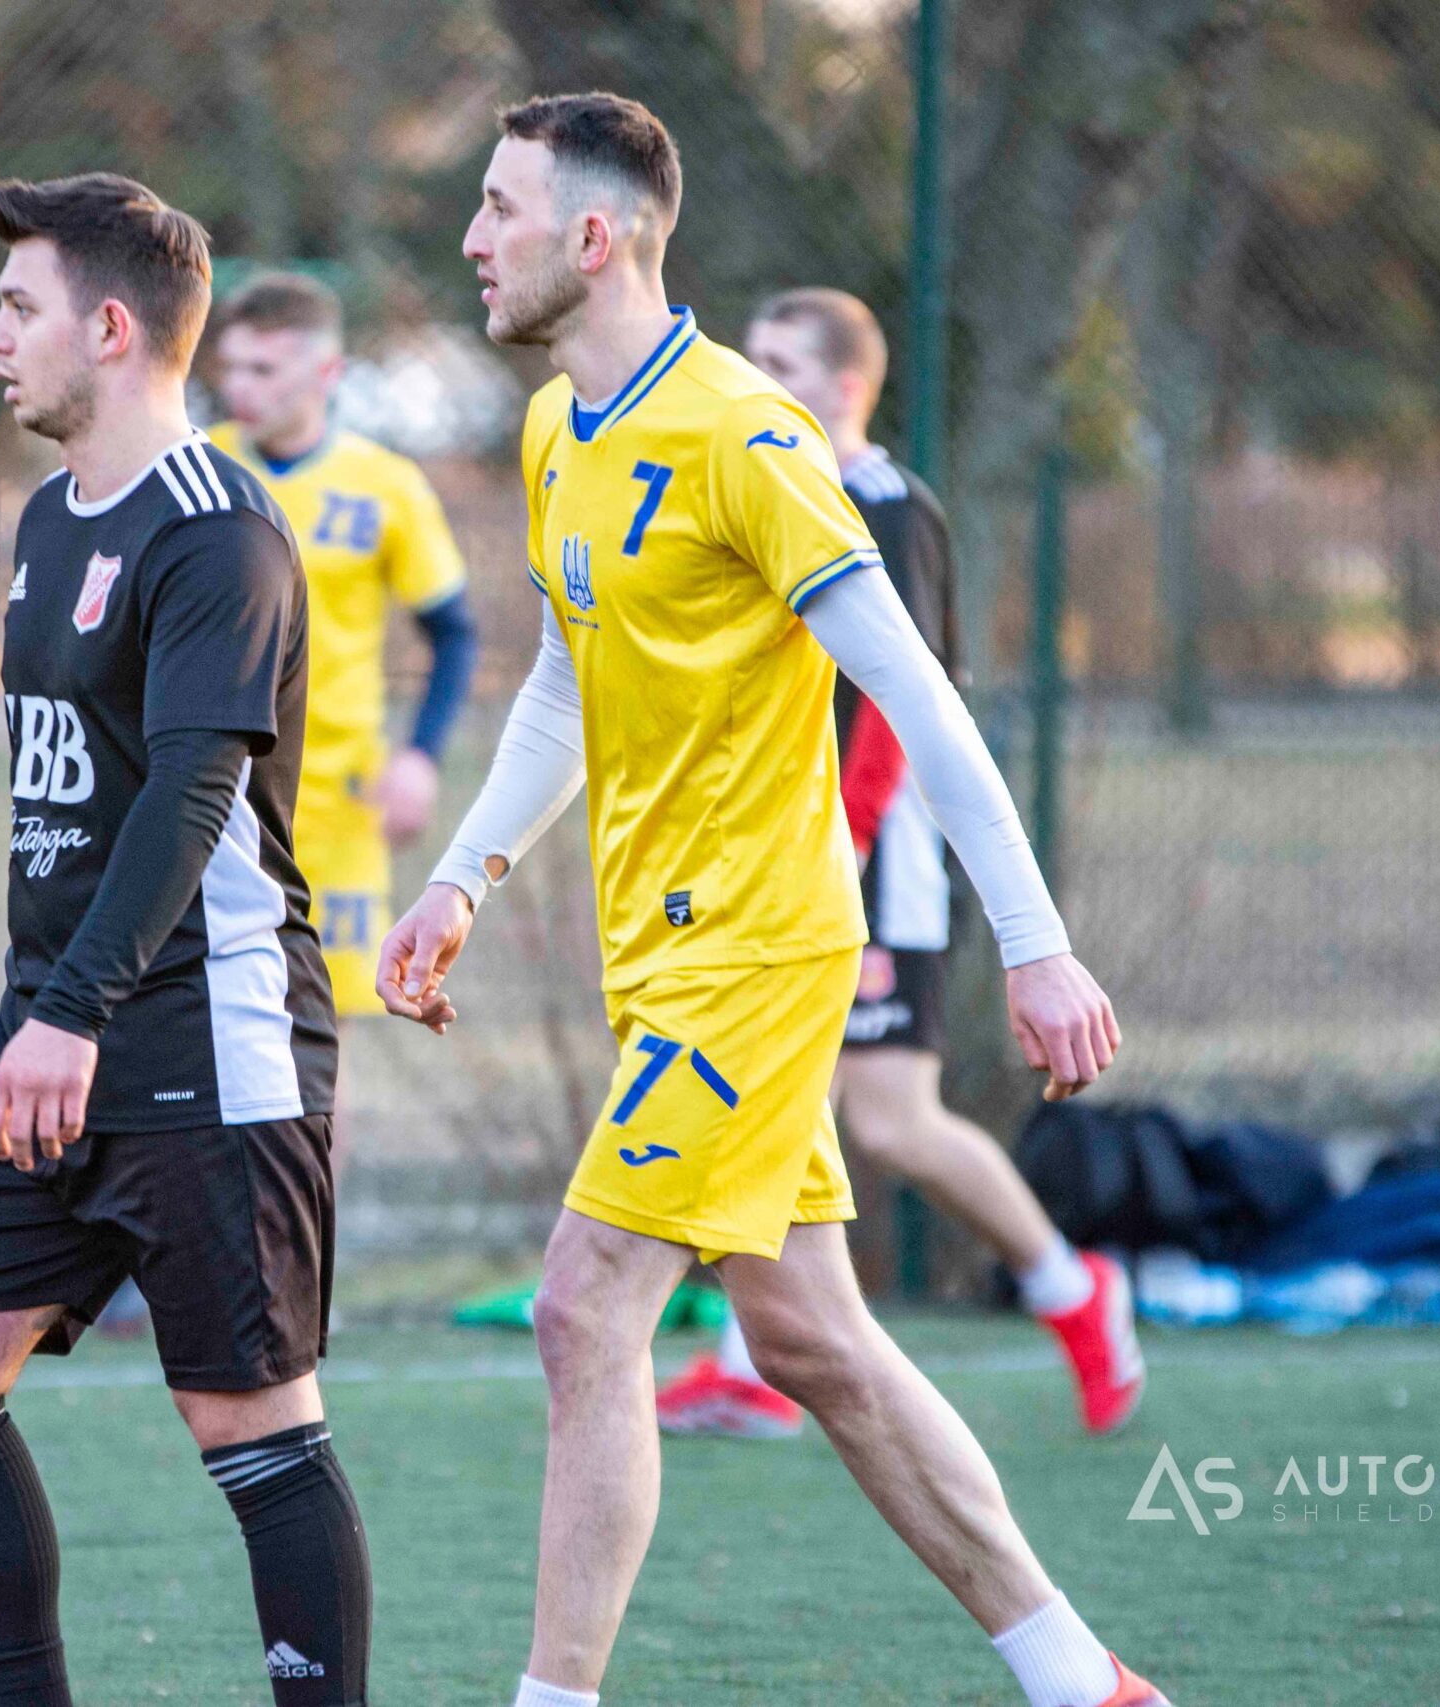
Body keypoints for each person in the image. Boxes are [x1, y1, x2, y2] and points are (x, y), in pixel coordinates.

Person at [376, 95, 1169, 1707]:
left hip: (760, 947)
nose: (472, 239)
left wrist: (1035, 944)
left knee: (584, 1303)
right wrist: (462, 872)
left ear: (593, 235)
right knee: (814, 1342)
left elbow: (920, 695)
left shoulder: (747, 435)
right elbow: (564, 677)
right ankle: (1082, 1677)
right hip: (667, 956)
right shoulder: (558, 430)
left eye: (498, 208)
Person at [0, 173, 369, 1707]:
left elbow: (193, 795)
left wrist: (73, 1011)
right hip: (55, 1020)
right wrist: (51, 1009)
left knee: (250, 1422)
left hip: (203, 1031)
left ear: (108, 328)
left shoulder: (220, 532)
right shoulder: (46, 517)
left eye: (17, 307)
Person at [654, 288, 1144, 1443]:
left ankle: (1073, 1289)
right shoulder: (765, 483)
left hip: (879, 856)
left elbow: (900, 693)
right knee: (798, 1099)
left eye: (782, 362)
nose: (758, 378)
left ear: (846, 386)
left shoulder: (883, 503)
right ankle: (755, 1361)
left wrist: (853, 836)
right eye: (750, 357)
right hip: (791, 843)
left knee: (887, 1118)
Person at [209, 272, 481, 1019]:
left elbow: (454, 633)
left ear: (326, 372)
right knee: (209, 1017)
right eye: (231, 366)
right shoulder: (202, 471)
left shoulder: (385, 486)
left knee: (319, 1022)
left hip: (339, 803)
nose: (240, 387)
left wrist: (420, 756)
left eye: (263, 368)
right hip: (213, 793)